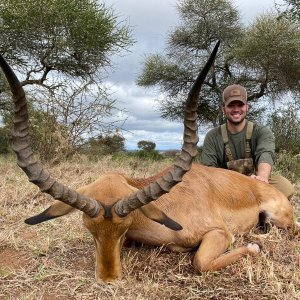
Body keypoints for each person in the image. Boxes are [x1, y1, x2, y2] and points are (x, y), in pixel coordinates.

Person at [201, 84, 294, 199]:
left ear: (247, 107)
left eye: (240, 105)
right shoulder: (212, 136)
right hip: (225, 188)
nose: (236, 109)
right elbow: (208, 170)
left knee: (285, 186)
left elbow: (265, 153)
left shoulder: (262, 131)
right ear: (223, 108)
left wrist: (262, 178)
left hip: (255, 184)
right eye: (231, 105)